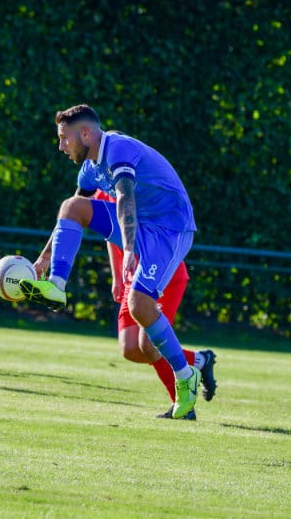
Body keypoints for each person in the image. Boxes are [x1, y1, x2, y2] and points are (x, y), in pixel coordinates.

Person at [20, 104, 200, 419]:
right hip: (140, 224)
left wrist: (129, 249)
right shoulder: (89, 167)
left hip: (169, 230)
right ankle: (57, 285)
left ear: (85, 133)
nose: (61, 146)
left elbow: (126, 199)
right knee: (73, 206)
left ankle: (186, 375)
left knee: (139, 305)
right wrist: (44, 259)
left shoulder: (119, 149)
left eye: (64, 138)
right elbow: (73, 212)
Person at [96, 191, 217, 419]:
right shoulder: (101, 189)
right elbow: (110, 236)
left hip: (162, 273)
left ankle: (183, 407)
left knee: (149, 344)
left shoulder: (141, 184)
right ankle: (199, 361)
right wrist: (117, 276)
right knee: (130, 348)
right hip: (132, 279)